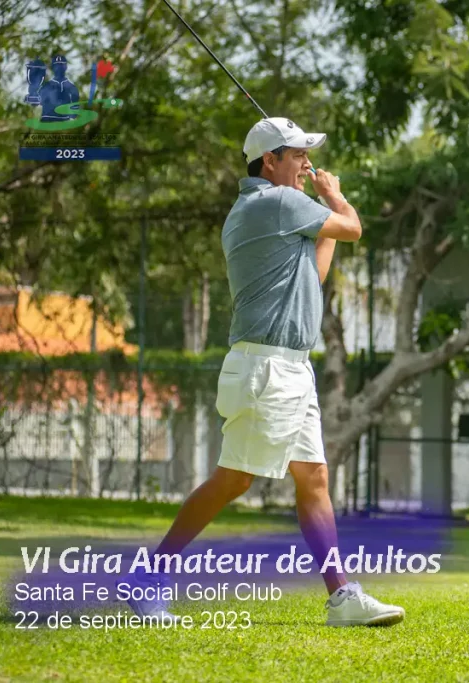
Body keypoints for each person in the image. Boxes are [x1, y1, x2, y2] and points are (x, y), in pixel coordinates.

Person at [125, 117, 404, 627]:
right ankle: (148, 577)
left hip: (291, 367)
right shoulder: (274, 203)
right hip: (266, 367)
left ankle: (342, 596)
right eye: (297, 154)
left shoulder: (275, 210)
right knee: (235, 479)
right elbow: (353, 227)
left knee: (314, 478)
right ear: (269, 161)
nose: (306, 164)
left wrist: (322, 219)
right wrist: (334, 197)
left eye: (306, 155)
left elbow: (314, 276)